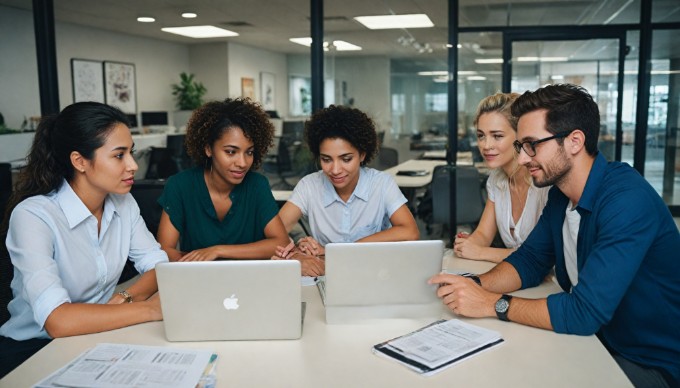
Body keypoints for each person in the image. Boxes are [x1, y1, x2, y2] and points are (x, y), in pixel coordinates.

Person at [429, 84, 680, 388]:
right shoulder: (561, 196)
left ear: (574, 141)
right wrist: (471, 286)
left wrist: (490, 303)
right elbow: (530, 261)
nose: (522, 159)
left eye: (532, 144)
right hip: (596, 341)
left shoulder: (626, 200)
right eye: (521, 145)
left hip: (648, 360)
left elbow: (584, 312)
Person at [0, 102, 167, 378]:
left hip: (97, 338)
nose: (133, 165)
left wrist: (125, 298)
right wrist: (148, 309)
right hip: (33, 350)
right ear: (79, 161)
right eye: (119, 155)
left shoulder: (123, 204)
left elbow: (159, 267)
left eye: (131, 152)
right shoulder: (34, 216)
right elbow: (58, 321)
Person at [276, 105, 419, 276]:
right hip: (327, 275)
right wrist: (297, 252)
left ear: (362, 155)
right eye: (326, 159)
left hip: (377, 274)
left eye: (346, 159)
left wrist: (341, 250)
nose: (335, 170)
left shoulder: (381, 184)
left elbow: (410, 231)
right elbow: (275, 234)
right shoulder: (309, 186)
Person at [156, 98, 289, 261]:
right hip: (199, 279)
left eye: (249, 152)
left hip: (249, 280)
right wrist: (198, 264)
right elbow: (164, 250)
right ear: (208, 149)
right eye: (231, 152)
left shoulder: (256, 184)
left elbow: (281, 243)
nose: (242, 163)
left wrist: (218, 251)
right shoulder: (180, 186)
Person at [454, 93, 549, 262]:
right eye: (481, 136)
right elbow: (483, 234)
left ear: (521, 137)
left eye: (497, 136)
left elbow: (543, 257)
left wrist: (480, 252)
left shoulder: (544, 182)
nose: (486, 145)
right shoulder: (496, 180)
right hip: (517, 280)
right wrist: (468, 244)